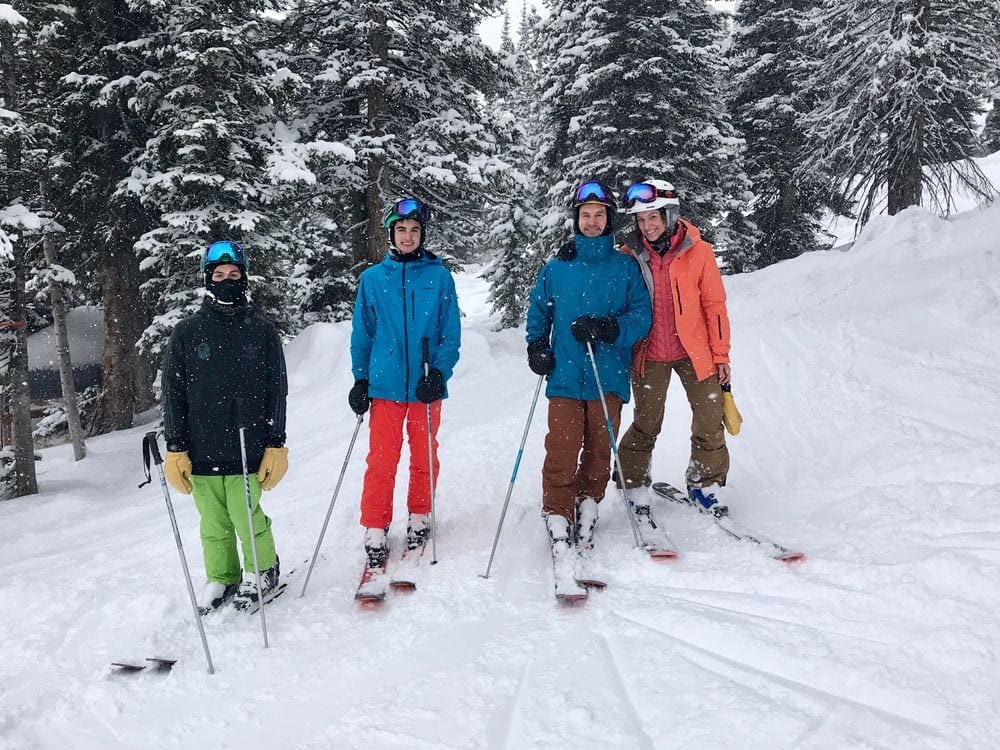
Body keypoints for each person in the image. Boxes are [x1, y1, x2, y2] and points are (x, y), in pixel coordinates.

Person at [525, 180, 651, 580]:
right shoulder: (557, 267)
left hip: (607, 374)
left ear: (608, 220)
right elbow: (538, 313)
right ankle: (557, 513)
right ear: (576, 220)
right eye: (586, 215)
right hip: (564, 374)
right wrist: (536, 348)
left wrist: (609, 327)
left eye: (599, 215)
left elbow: (641, 316)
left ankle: (588, 503)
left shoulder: (625, 266)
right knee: (561, 446)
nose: (592, 221)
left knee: (599, 447)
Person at [161, 240, 289, 613]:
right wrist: (176, 447)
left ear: (244, 278)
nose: (227, 281)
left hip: (248, 445)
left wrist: (276, 443)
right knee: (213, 521)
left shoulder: (261, 331)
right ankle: (222, 575)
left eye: (234, 275)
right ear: (207, 280)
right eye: (219, 275)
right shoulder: (187, 332)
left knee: (246, 514)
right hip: (202, 447)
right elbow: (173, 392)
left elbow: (276, 390)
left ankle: (262, 569)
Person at [349, 198, 461, 569]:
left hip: (426, 386)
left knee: (424, 456)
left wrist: (440, 372)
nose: (408, 236)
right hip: (384, 386)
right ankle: (375, 527)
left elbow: (450, 333)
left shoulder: (439, 276)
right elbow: (362, 335)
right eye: (401, 230)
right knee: (381, 460)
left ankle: (420, 515)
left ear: (422, 234)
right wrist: (360, 380)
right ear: (391, 235)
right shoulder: (372, 279)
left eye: (414, 230)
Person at [616, 179, 732, 514]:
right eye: (640, 220)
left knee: (710, 418)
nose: (646, 226)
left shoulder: (699, 251)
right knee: (647, 421)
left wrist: (721, 353)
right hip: (649, 353)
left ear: (669, 215)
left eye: (653, 217)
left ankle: (705, 483)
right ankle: (633, 482)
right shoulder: (629, 255)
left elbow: (715, 306)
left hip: (694, 352)